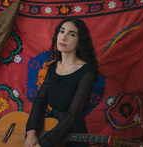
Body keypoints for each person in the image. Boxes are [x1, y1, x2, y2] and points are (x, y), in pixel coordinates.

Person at [24, 17, 100, 147]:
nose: (63, 37)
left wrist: (43, 144)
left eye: (71, 34)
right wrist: (31, 132)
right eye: (61, 31)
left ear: (79, 41)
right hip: (49, 127)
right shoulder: (53, 67)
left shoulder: (87, 72)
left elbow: (72, 116)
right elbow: (40, 100)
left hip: (73, 135)